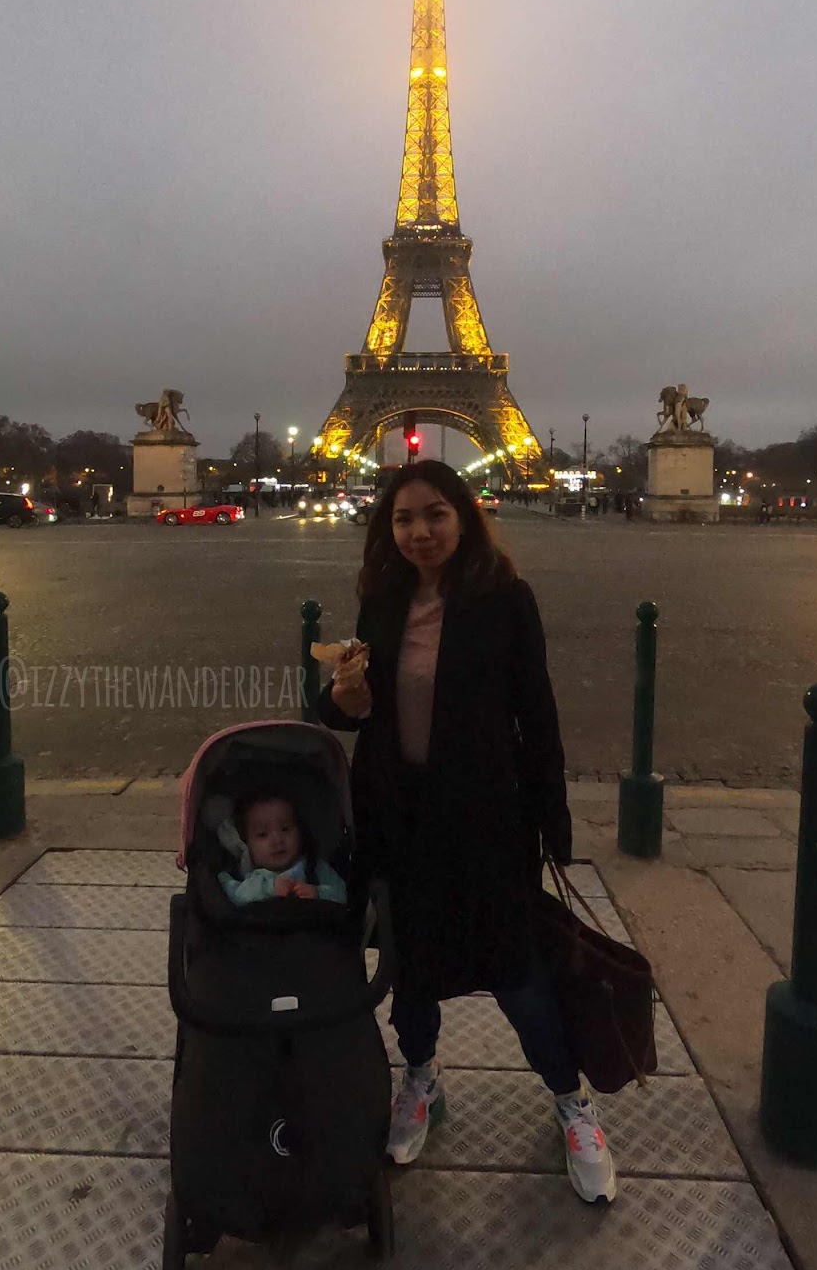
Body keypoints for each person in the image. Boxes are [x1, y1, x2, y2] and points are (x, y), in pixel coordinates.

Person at [318, 459, 617, 1204]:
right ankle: (420, 1078)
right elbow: (350, 713)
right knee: (412, 967)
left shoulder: (506, 599)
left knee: (517, 971)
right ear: (388, 531)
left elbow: (537, 714)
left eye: (435, 515)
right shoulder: (381, 599)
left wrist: (552, 822)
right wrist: (343, 695)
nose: (419, 532)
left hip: (485, 816)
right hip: (400, 813)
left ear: (465, 516)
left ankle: (571, 1101)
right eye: (403, 520)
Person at [218, 792, 346, 907]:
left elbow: (342, 895)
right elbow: (235, 895)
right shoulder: (253, 877)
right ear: (246, 843)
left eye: (285, 829)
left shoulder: (314, 867)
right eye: (263, 834)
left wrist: (318, 893)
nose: (277, 840)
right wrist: (270, 889)